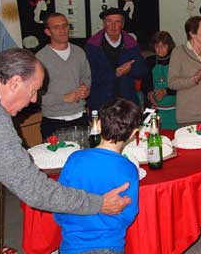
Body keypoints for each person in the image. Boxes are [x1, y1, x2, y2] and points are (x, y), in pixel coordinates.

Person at [0, 48, 132, 226]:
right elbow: (34, 189)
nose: (34, 100)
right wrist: (99, 204)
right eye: (33, 90)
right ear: (14, 83)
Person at [54, 98, 140, 254]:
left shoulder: (75, 159)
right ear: (133, 134)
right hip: (110, 243)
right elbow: (128, 214)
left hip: (72, 244)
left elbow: (60, 204)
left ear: (98, 125)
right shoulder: (129, 169)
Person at [36, 13, 91, 140]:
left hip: (80, 118)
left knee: (82, 158)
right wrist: (63, 98)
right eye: (56, 27)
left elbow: (86, 78)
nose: (62, 30)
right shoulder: (40, 58)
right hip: (54, 120)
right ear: (47, 32)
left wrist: (85, 89)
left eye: (65, 25)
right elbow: (36, 96)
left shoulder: (79, 52)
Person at [85, 8, 147, 112]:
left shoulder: (131, 44)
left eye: (117, 22)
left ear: (122, 25)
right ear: (104, 24)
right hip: (101, 102)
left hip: (127, 101)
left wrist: (130, 70)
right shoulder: (93, 45)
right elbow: (89, 75)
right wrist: (115, 74)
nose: (113, 26)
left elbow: (142, 71)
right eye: (109, 21)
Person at [168, 16, 201, 125]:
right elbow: (171, 83)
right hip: (188, 117)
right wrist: (192, 80)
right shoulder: (178, 52)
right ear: (192, 33)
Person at [142, 31, 178, 130]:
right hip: (155, 110)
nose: (160, 49)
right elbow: (145, 84)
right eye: (157, 46)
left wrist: (165, 91)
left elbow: (181, 85)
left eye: (164, 46)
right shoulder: (149, 61)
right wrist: (149, 94)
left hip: (175, 111)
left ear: (169, 46)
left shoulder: (176, 61)